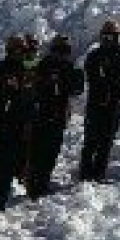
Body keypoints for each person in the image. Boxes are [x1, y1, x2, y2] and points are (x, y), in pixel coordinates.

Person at [26, 35, 86, 199]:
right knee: (40, 153)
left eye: (64, 50)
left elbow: (77, 89)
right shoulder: (44, 66)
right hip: (44, 115)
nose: (61, 54)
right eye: (59, 50)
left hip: (55, 116)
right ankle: (35, 186)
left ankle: (40, 184)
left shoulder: (66, 68)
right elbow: (32, 87)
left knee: (48, 152)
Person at [80, 19, 120, 182]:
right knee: (91, 139)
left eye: (111, 37)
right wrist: (103, 80)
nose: (107, 40)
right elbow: (90, 74)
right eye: (105, 36)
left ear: (117, 37)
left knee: (106, 141)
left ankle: (98, 174)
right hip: (96, 102)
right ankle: (85, 174)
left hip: (113, 104)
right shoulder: (94, 55)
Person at [0, 36, 34, 212]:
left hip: (18, 128)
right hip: (0, 127)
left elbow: (28, 100)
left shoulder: (25, 72)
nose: (22, 54)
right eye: (20, 50)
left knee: (10, 169)